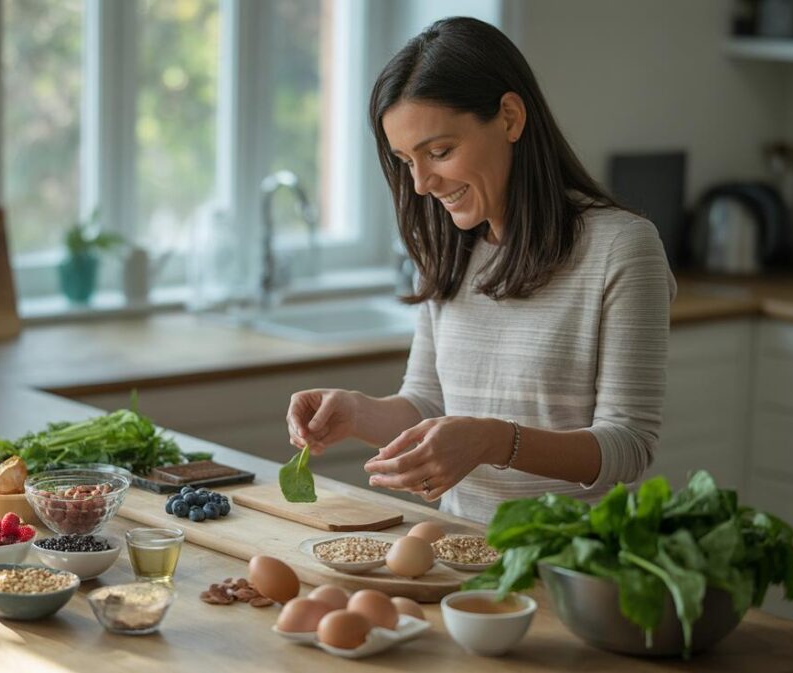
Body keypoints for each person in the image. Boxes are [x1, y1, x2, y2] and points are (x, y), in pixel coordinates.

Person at [285, 17, 677, 524]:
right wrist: (357, 412)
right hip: (458, 547)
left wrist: (496, 440)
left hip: (573, 561)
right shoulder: (442, 247)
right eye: (406, 161)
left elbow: (628, 446)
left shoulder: (622, 248)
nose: (422, 183)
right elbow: (428, 402)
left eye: (440, 152)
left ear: (510, 118)